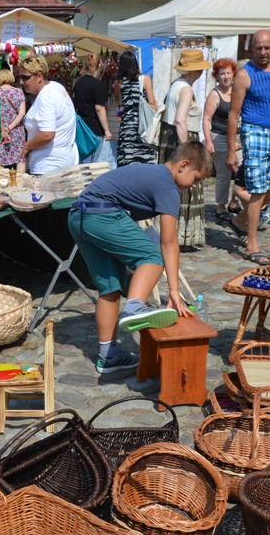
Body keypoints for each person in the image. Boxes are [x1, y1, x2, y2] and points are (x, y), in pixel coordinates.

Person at [68, 141, 212, 374]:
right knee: (151, 257)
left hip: (79, 216)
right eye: (196, 179)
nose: (195, 186)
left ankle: (108, 355)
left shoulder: (153, 174)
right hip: (101, 214)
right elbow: (169, 242)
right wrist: (174, 292)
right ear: (184, 165)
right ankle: (134, 308)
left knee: (110, 288)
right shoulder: (168, 185)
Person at [227, 30, 270, 265]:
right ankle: (251, 244)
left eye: (266, 48)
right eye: (258, 48)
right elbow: (234, 114)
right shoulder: (244, 75)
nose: (262, 52)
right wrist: (232, 150)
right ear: (251, 48)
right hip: (253, 133)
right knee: (257, 191)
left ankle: (239, 221)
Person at [156, 50, 210, 247]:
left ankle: (168, 232)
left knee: (170, 185)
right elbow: (180, 119)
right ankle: (180, 236)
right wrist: (187, 148)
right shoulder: (186, 89)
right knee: (187, 183)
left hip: (168, 138)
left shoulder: (175, 85)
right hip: (180, 138)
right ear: (197, 71)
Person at [18, 54, 78, 175]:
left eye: (25, 77)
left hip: (49, 167)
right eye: (19, 77)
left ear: (39, 76)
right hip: (64, 162)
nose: (21, 82)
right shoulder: (56, 87)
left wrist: (26, 147)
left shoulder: (46, 97)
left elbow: (47, 134)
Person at [202, 57, 237, 221]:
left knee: (241, 171)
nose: (226, 77)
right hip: (220, 137)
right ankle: (221, 206)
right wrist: (208, 141)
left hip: (238, 138)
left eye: (228, 73)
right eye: (222, 74)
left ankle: (235, 202)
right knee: (224, 174)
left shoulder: (237, 91)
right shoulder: (214, 95)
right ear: (216, 76)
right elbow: (206, 119)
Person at [113, 51, 158, 167]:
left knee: (128, 154)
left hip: (127, 121)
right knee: (144, 151)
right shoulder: (145, 79)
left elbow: (119, 102)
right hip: (142, 120)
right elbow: (151, 102)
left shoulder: (118, 82)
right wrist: (156, 118)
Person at [74, 54, 115, 169]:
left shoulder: (78, 83)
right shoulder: (97, 84)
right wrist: (107, 131)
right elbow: (99, 108)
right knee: (90, 166)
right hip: (94, 130)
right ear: (99, 66)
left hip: (81, 127)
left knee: (82, 163)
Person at [0, 69, 27, 172]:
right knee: (20, 158)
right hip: (17, 130)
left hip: (0, 131)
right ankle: (20, 179)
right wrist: (9, 128)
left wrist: (4, 130)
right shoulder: (19, 92)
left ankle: (2, 180)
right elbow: (22, 113)